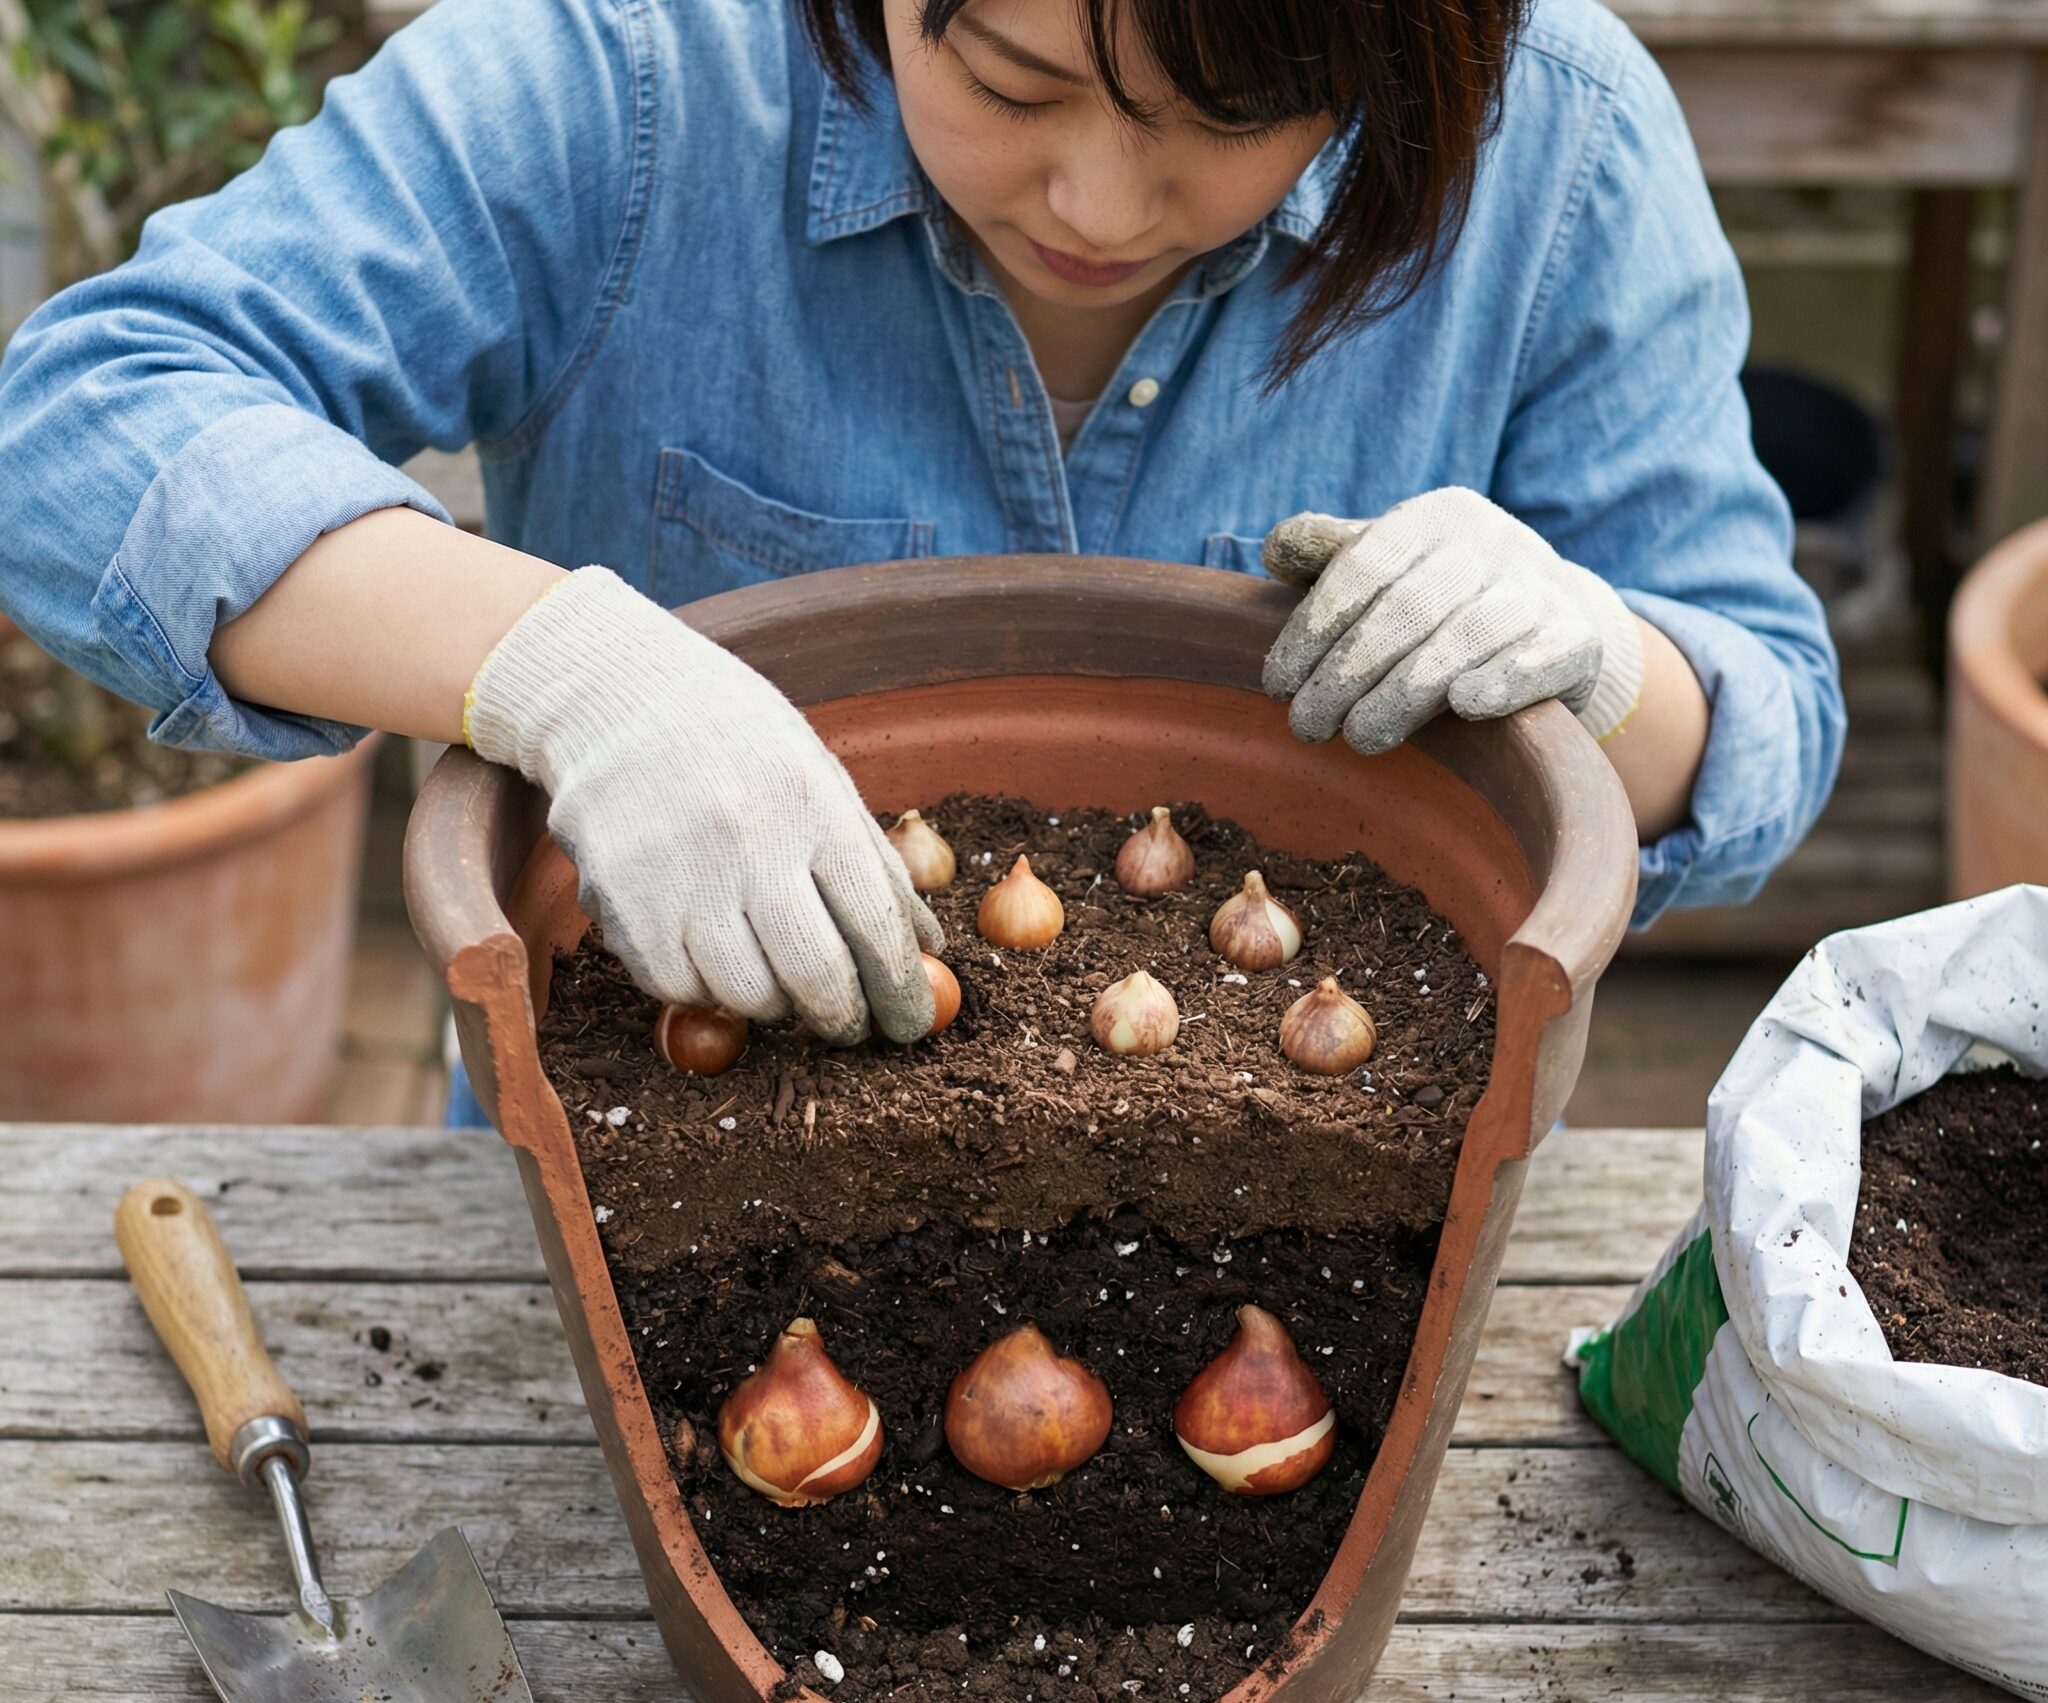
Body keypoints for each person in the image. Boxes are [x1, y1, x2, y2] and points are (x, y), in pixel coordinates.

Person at [0, 0, 1841, 1128]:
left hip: (1330, 1225)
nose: (1097, 203)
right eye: (1013, 82)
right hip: (649, 1207)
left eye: (1228, 118)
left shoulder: (1555, 143)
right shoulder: (628, 79)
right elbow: (79, 425)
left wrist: (1604, 665)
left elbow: (1761, 724)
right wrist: (560, 670)